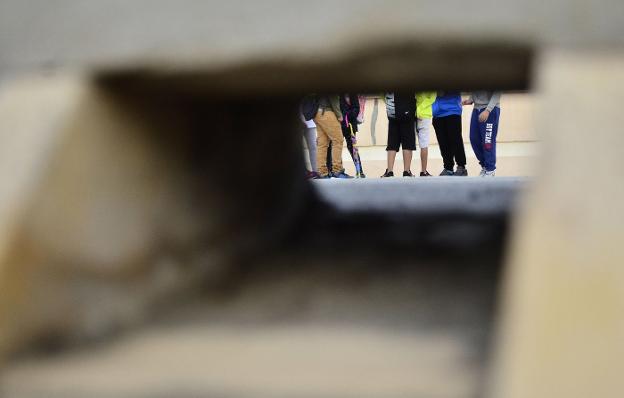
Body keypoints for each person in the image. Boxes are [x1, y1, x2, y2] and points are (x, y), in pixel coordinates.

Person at [463, 91, 502, 177]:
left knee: (487, 141)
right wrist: (471, 99)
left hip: (490, 109)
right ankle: (485, 166)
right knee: (474, 139)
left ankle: (490, 170)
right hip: (477, 109)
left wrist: (488, 110)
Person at [314, 95, 352, 179]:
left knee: (322, 144)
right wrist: (339, 115)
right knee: (338, 140)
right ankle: (337, 170)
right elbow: (333, 97)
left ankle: (322, 172)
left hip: (317, 112)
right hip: (327, 112)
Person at [381, 92, 416, 177]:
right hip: (407, 109)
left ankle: (389, 171)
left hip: (392, 111)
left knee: (392, 142)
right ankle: (406, 171)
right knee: (408, 141)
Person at [432, 92, 468, 176]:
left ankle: (461, 167)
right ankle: (448, 167)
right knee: (443, 143)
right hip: (437, 113)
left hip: (452, 110)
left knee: (455, 140)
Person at [339, 93, 365, 178]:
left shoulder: (351, 92)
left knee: (352, 148)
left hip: (349, 124)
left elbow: (356, 108)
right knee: (336, 147)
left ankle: (359, 170)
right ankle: (337, 171)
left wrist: (346, 116)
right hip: (337, 124)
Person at [415, 92, 436, 176]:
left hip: (411, 114)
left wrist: (417, 110)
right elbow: (432, 97)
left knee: (408, 144)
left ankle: (407, 171)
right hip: (424, 115)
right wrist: (420, 109)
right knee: (424, 144)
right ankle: (423, 171)